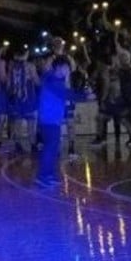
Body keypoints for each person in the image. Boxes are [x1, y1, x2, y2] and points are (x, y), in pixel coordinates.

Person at [35, 55, 83, 188]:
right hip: (49, 119)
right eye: (67, 67)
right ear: (59, 67)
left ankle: (48, 174)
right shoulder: (53, 81)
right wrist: (85, 95)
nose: (69, 70)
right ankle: (42, 176)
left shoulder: (52, 78)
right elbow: (67, 94)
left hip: (50, 119)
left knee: (52, 147)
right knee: (50, 147)